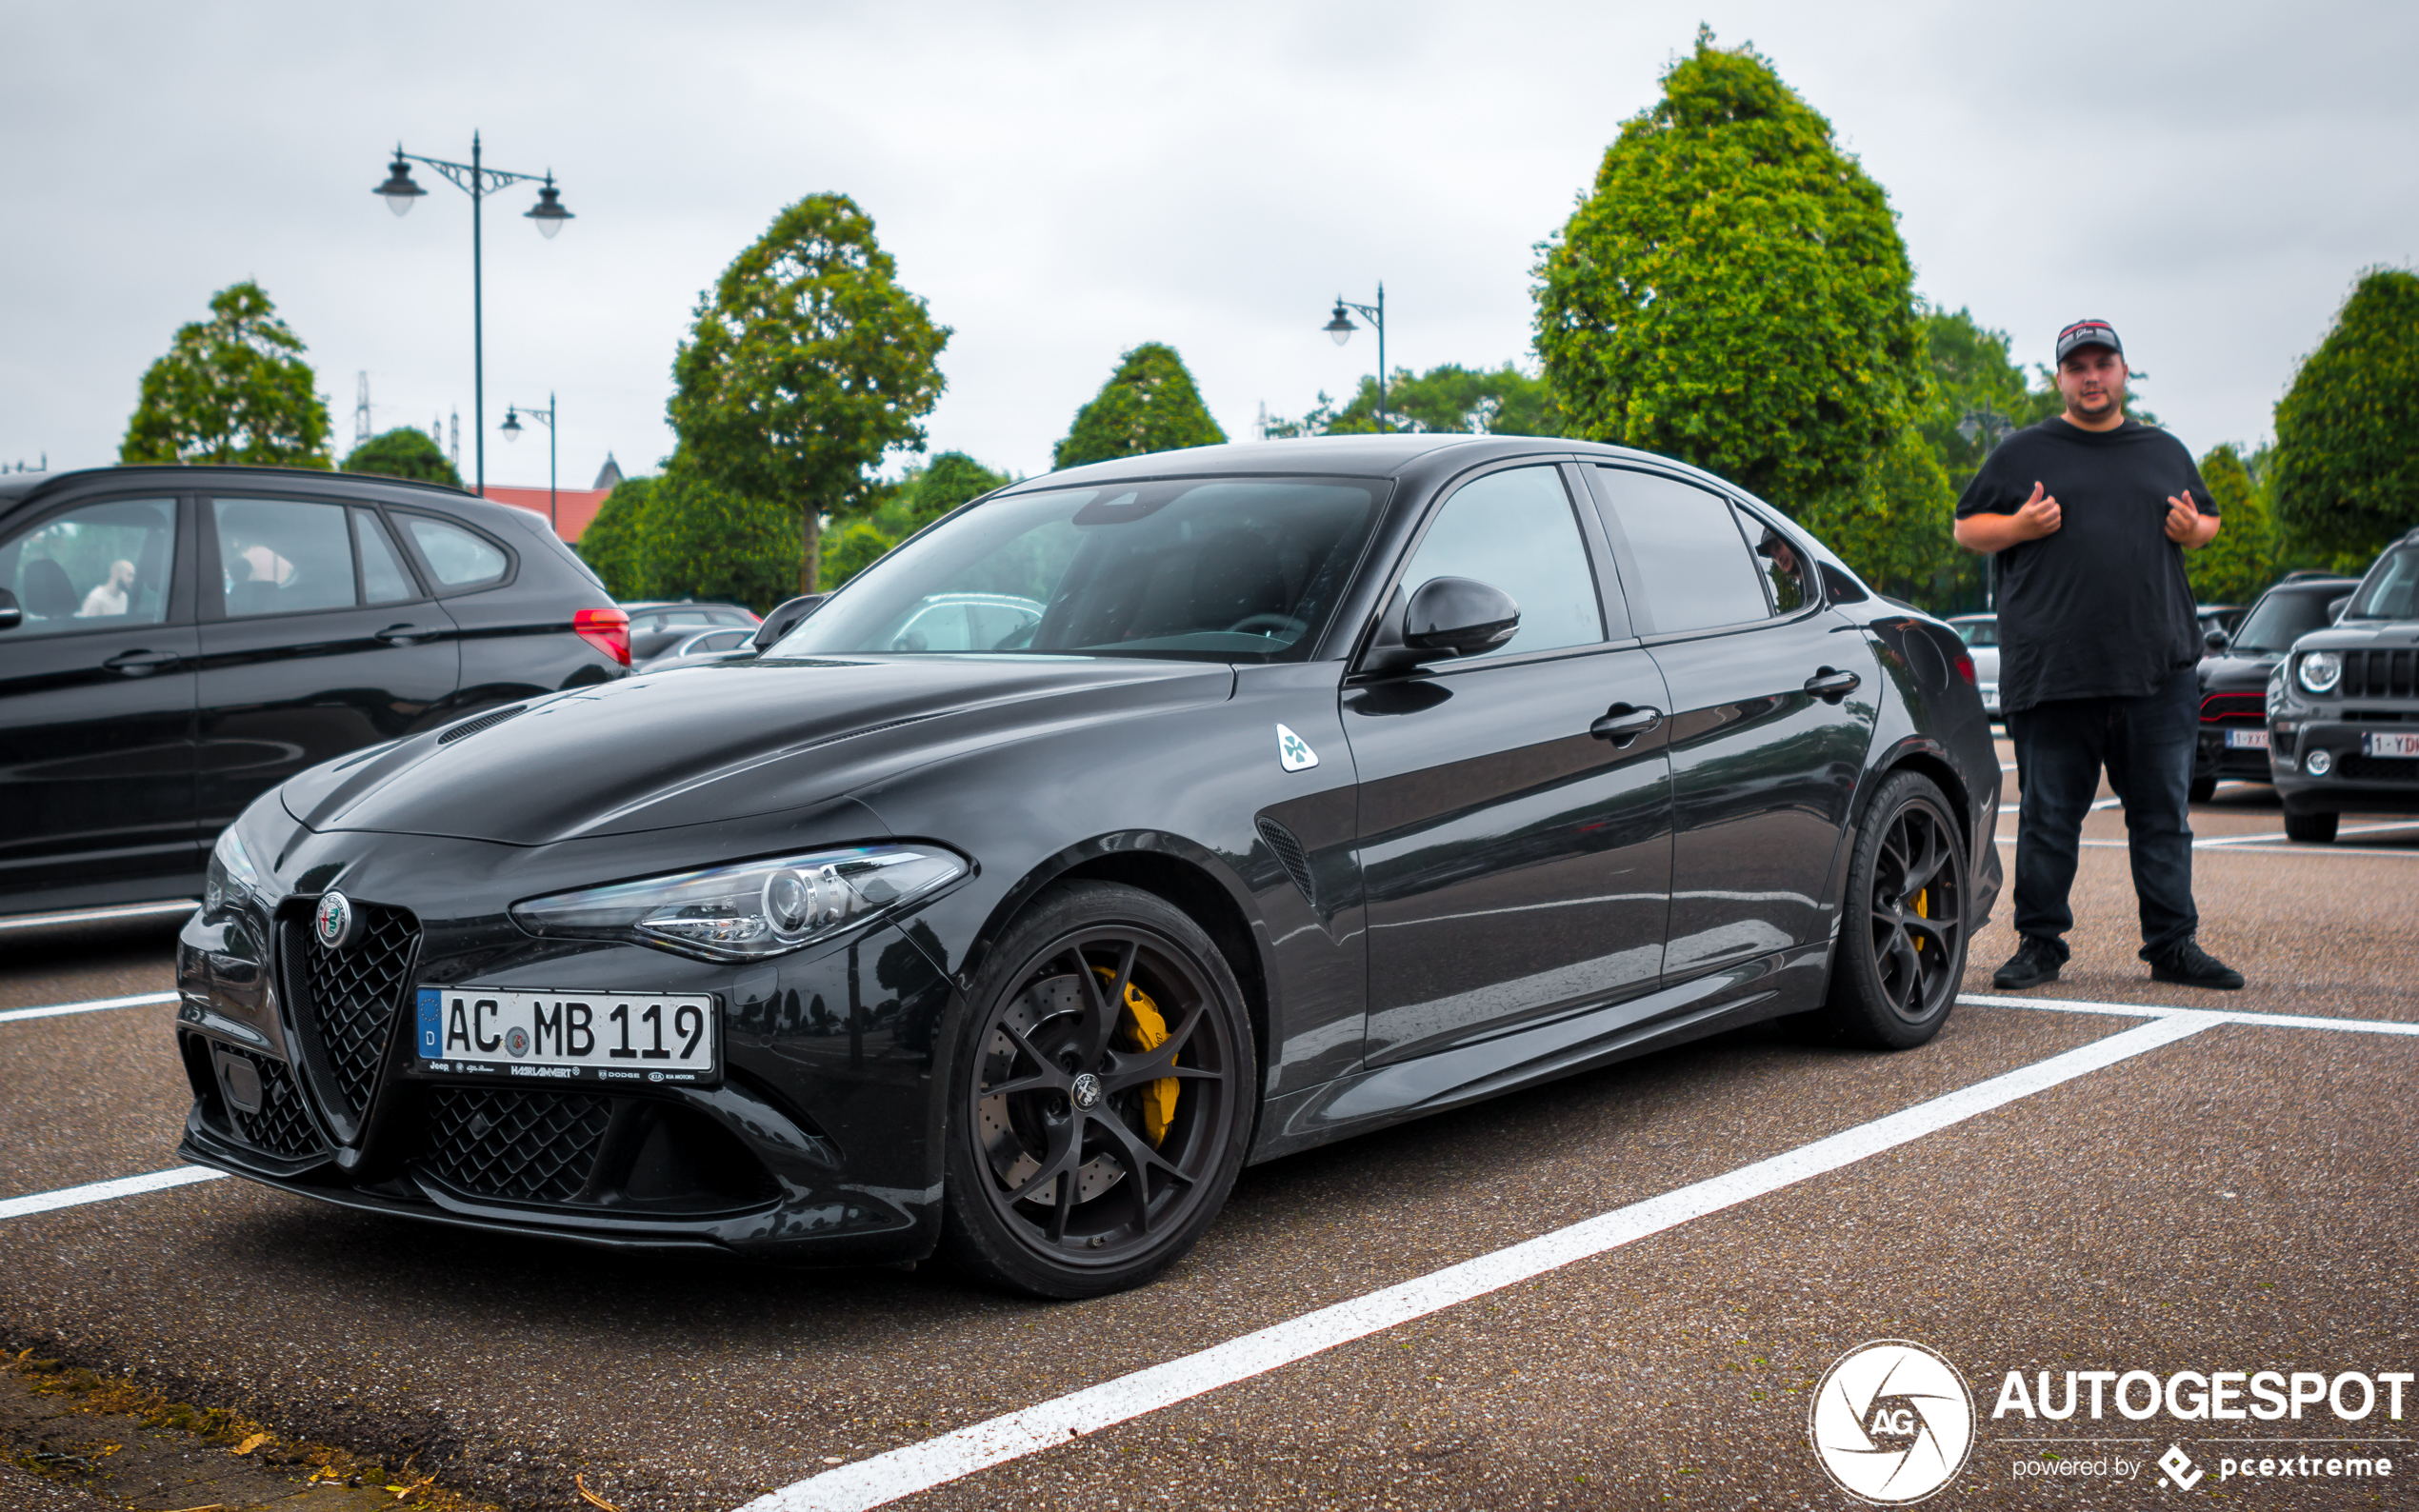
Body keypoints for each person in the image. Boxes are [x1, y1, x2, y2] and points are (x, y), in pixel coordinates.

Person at [1952, 319, 2243, 992]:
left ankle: (2173, 945)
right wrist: (2019, 527)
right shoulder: (2024, 450)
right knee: (2049, 820)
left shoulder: (2162, 449)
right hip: (2056, 674)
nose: (2091, 376)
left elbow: (2209, 519)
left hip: (2157, 674)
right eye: (2077, 366)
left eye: (2102, 364)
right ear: (2060, 377)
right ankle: (2040, 945)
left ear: (2122, 371)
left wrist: (2193, 529)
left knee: (2163, 820)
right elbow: (1967, 526)